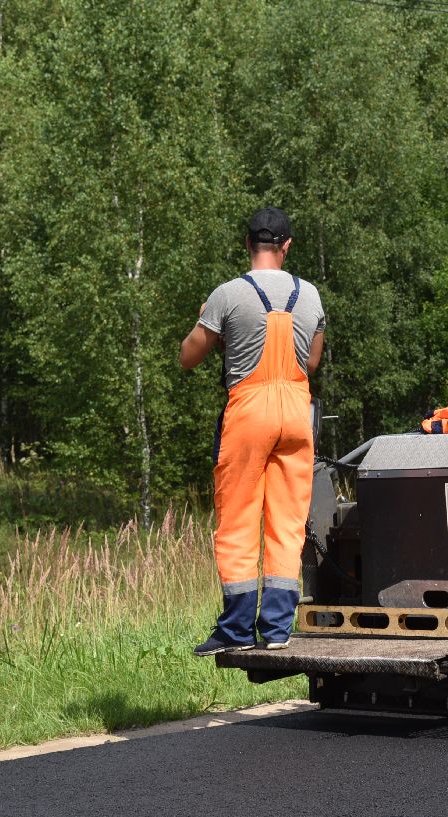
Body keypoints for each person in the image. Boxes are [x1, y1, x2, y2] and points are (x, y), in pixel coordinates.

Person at [180, 208, 327, 655]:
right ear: (287, 246)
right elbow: (312, 363)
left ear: (248, 245)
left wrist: (209, 321)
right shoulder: (310, 295)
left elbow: (188, 357)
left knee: (240, 517)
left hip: (248, 411)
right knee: (287, 521)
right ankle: (278, 629)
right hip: (296, 413)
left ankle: (237, 628)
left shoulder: (227, 295)